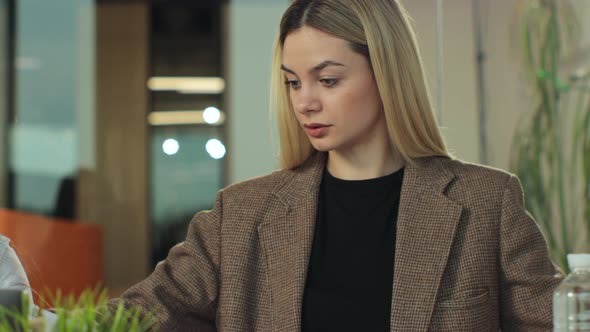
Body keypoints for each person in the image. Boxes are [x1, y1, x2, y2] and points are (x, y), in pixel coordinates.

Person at [112, 0, 563, 330]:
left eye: (327, 80)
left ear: (386, 73)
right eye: (292, 82)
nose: (304, 102)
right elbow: (142, 311)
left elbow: (559, 320)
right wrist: (45, 320)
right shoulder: (241, 214)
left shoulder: (486, 202)